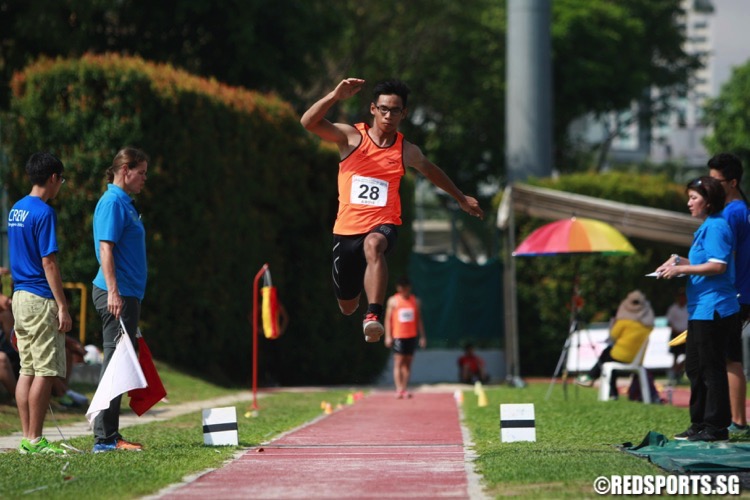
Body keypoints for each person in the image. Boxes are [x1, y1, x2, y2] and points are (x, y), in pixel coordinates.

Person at [300, 78, 483, 342]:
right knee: (347, 306)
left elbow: (431, 170)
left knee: (374, 244)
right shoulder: (352, 137)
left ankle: (373, 315)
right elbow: (308, 123)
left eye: (395, 110)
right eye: (383, 109)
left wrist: (460, 198)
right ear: (373, 109)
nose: (388, 115)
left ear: (403, 113)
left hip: (383, 224)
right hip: (346, 231)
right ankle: (362, 300)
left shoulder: (406, 151)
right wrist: (334, 96)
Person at [656, 176, 739, 442]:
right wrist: (678, 260)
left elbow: (718, 266)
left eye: (693, 197)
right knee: (694, 367)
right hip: (700, 309)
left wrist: (680, 268)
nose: (689, 203)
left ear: (709, 200)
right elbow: (703, 261)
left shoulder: (716, 227)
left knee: (711, 368)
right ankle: (700, 423)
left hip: (714, 308)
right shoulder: (707, 227)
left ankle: (716, 427)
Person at [8, 151, 72, 454]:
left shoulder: (16, 208)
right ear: (54, 178)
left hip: (19, 296)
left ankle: (26, 437)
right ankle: (35, 439)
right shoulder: (44, 212)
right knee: (45, 370)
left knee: (27, 369)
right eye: (62, 180)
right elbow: (49, 262)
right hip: (39, 296)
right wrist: (62, 305)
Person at [90, 147, 149, 453]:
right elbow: (106, 249)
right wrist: (113, 292)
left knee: (121, 360)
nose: (144, 179)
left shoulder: (125, 203)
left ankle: (109, 434)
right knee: (114, 363)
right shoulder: (112, 202)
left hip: (127, 293)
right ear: (125, 170)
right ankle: (104, 438)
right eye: (141, 173)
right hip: (117, 294)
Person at [708, 152, 750, 436]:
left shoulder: (733, 213)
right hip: (739, 292)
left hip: (735, 293)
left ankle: (738, 422)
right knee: (729, 356)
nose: (708, 188)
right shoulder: (741, 208)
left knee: (729, 357)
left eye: (715, 182)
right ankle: (737, 420)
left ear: (732, 182)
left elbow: (726, 257)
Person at [575, 290, 655, 400]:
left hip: (620, 356)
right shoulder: (648, 326)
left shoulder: (624, 321)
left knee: (606, 355)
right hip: (637, 359)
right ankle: (600, 384)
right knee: (607, 359)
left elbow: (612, 336)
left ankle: (592, 378)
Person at [384, 276, 426, 398]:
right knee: (398, 362)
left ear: (409, 288)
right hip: (398, 336)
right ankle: (398, 389)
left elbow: (419, 320)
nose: (403, 290)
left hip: (411, 335)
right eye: (401, 288)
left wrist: (422, 336)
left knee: (408, 363)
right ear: (398, 288)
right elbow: (388, 319)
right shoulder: (393, 301)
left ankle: (404, 388)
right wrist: (388, 336)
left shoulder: (415, 301)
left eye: (405, 288)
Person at [665, 288, 688, 384]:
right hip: (676, 334)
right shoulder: (673, 308)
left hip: (687, 334)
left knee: (689, 354)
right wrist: (676, 330)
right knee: (675, 356)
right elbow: (669, 322)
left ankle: (677, 371)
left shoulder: (689, 307)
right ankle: (674, 373)